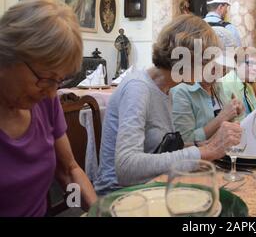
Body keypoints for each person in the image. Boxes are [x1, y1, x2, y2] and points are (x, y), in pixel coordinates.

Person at [94, 15, 242, 195]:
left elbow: (158, 151)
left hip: (153, 186)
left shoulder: (167, 88)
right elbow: (126, 168)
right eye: (207, 62)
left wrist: (203, 145)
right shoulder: (138, 88)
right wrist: (204, 152)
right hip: (121, 195)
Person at [0, 0, 97, 216]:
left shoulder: (46, 101)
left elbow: (68, 172)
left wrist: (97, 211)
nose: (53, 93)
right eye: (46, 78)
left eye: (59, 81)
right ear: (8, 56)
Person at [221, 47, 256, 116]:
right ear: (237, 64)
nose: (255, 68)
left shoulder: (248, 87)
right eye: (250, 63)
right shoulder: (225, 84)